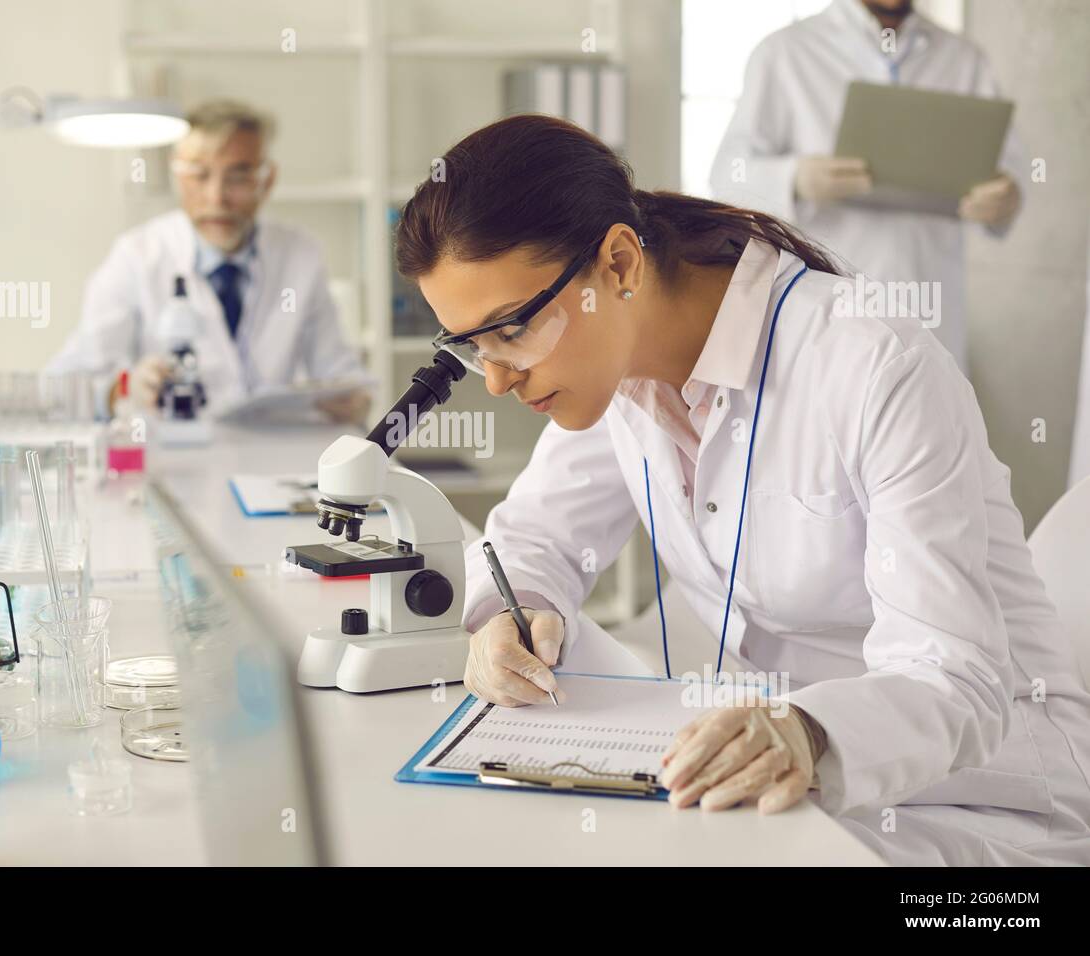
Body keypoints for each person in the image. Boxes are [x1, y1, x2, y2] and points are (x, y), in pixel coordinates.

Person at [395, 113, 1090, 866]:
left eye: (513, 329)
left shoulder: (870, 368)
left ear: (620, 265)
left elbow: (953, 678)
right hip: (767, 774)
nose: (495, 380)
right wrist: (511, 613)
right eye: (471, 346)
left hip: (979, 794)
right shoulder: (609, 368)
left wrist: (808, 732)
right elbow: (536, 539)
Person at [709, 0, 1025, 374]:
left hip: (929, 306)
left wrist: (1008, 196)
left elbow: (1009, 167)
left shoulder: (965, 59)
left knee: (927, 418)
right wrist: (794, 178)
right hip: (825, 311)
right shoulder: (784, 53)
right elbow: (727, 176)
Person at [48, 99, 371, 423]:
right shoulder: (136, 256)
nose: (217, 197)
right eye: (199, 175)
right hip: (172, 460)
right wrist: (123, 389)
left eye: (238, 177)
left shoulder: (301, 255)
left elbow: (339, 372)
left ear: (267, 180)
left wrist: (352, 400)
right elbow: (67, 385)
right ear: (177, 176)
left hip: (270, 460)